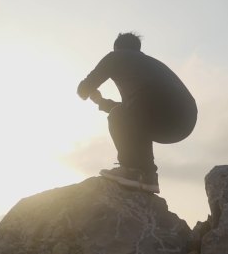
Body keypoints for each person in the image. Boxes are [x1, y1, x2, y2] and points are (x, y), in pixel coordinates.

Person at [77, 32, 197, 193]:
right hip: (185, 122)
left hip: (157, 109)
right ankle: (149, 177)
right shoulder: (151, 64)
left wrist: (93, 95)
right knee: (134, 120)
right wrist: (102, 102)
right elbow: (132, 111)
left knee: (120, 116)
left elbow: (83, 89)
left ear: (117, 47)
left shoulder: (115, 57)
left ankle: (130, 170)